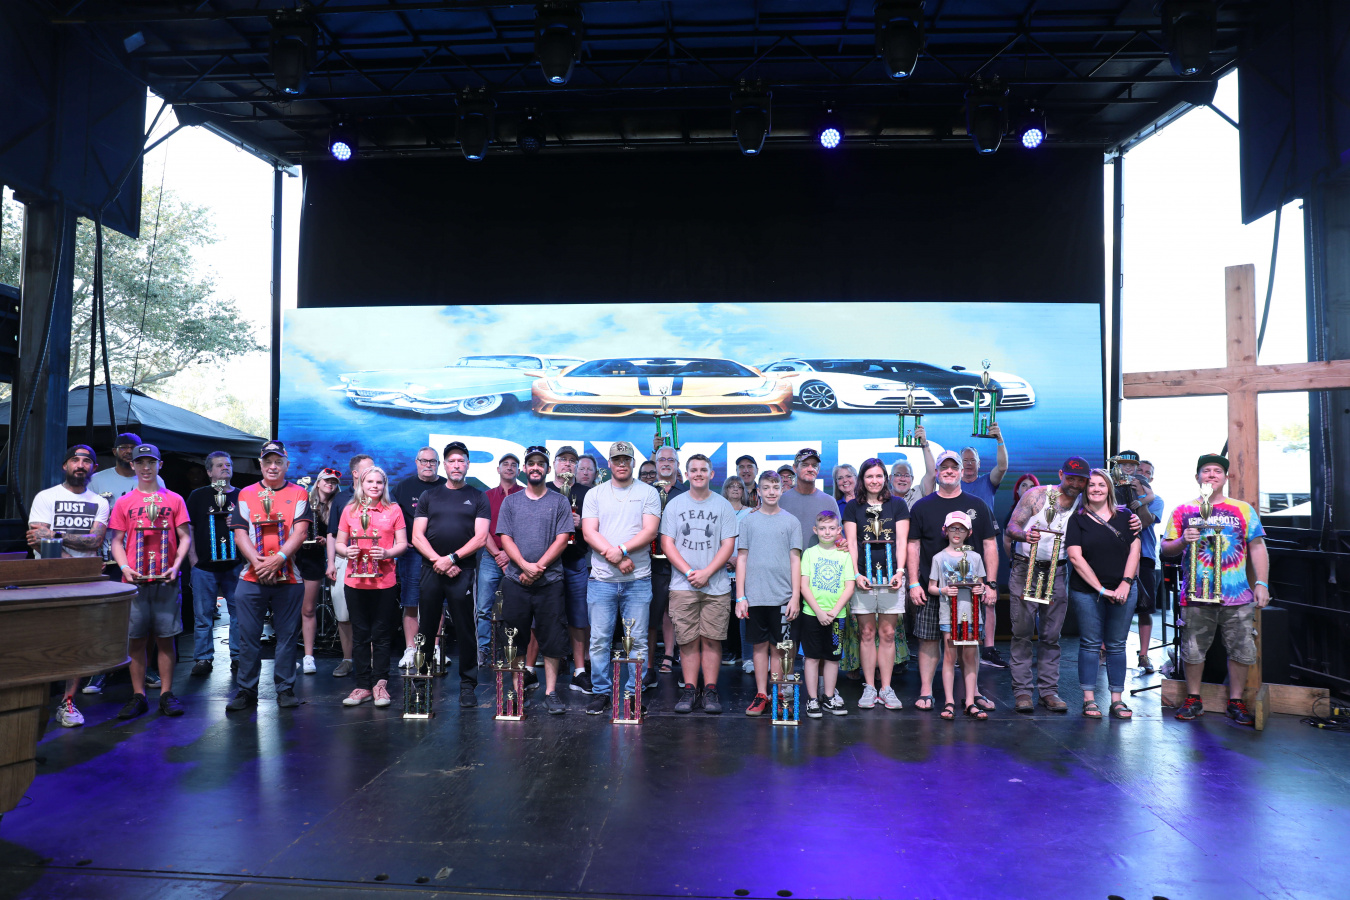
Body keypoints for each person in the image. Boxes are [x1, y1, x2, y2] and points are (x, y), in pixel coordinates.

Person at [1162, 453, 1269, 726]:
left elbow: (1257, 547)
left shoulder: (1243, 509)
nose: (1212, 475)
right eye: (1206, 470)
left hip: (1238, 596)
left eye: (1217, 471)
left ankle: (1236, 701)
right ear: (1197, 477)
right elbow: (1166, 549)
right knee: (1193, 650)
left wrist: (1262, 583)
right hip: (1196, 595)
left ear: (1226, 477)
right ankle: (1193, 698)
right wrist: (1183, 541)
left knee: (1242, 649)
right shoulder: (1183, 510)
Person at [905, 451, 998, 712]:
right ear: (936, 472)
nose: (948, 471)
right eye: (943, 467)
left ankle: (973, 692)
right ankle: (926, 691)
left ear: (961, 471)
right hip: (932, 587)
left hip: (968, 593)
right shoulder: (922, 506)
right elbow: (913, 546)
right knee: (928, 640)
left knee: (969, 642)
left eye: (953, 467)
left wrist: (990, 584)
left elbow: (990, 545)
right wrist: (913, 583)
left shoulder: (978, 505)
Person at [226, 440, 312, 711]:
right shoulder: (245, 494)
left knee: (287, 637)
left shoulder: (299, 493)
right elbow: (240, 533)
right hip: (251, 576)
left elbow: (301, 532)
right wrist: (258, 563)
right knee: (248, 637)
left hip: (289, 577)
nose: (273, 466)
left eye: (278, 462)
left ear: (287, 464)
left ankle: (285, 688)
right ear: (260, 464)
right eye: (268, 462)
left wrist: (278, 560)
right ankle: (246, 690)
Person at [107, 443, 191, 719]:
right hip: (135, 581)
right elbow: (116, 540)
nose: (146, 468)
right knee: (136, 640)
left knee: (166, 639)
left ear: (159, 465)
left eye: (151, 462)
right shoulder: (124, 502)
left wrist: (176, 566)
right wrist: (124, 567)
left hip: (166, 580)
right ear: (132, 465)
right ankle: (138, 695)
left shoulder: (174, 500)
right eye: (141, 463)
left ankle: (166, 693)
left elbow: (185, 537)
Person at [27, 445, 110, 727]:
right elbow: (37, 540)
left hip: (84, 583)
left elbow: (95, 540)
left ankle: (68, 702)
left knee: (77, 643)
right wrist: (72, 562)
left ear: (94, 468)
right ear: (65, 465)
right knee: (45, 642)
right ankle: (33, 705)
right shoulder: (46, 497)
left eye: (87, 461)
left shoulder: (99, 502)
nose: (80, 464)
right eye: (75, 459)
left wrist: (56, 534)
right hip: (47, 580)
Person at [1002, 457, 1089, 714]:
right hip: (1025, 567)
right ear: (1061, 474)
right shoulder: (1037, 495)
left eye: (1081, 480)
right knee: (1022, 633)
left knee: (1051, 636)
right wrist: (1024, 535)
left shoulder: (1085, 503)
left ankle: (1048, 692)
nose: (1075, 484)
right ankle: (1022, 692)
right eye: (1070, 478)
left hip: (1057, 571)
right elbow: (1011, 526)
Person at [580, 441, 661, 714]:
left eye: (626, 459)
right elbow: (589, 532)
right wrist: (615, 556)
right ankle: (601, 692)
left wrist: (622, 550)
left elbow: (650, 531)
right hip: (601, 580)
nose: (622, 464)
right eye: (617, 460)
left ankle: (633, 694)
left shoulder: (648, 492)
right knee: (599, 641)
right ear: (610, 464)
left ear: (633, 463)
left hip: (637, 579)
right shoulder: (595, 494)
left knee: (637, 641)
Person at [411, 441, 490, 708]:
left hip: (463, 571)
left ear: (467, 465)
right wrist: (439, 561)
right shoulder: (429, 496)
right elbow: (417, 536)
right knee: (426, 626)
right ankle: (421, 680)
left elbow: (480, 538)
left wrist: (452, 559)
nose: (456, 465)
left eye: (461, 461)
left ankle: (468, 685)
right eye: (452, 461)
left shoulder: (478, 497)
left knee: (466, 629)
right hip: (431, 569)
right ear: (444, 465)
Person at [497, 445, 574, 714]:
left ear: (548, 469)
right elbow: (505, 538)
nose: (536, 467)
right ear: (524, 469)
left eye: (541, 463)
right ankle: (516, 692)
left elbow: (562, 539)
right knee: (515, 639)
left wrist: (537, 568)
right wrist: (524, 566)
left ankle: (551, 692)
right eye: (531, 463)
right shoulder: (511, 502)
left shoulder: (560, 502)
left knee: (552, 639)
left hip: (550, 582)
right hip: (515, 580)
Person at [660, 453, 739, 714]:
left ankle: (711, 690)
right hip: (683, 585)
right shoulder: (674, 505)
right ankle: (690, 689)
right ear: (686, 474)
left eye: (703, 470)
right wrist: (690, 572)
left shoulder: (723, 506)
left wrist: (707, 572)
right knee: (687, 640)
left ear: (711, 474)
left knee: (712, 639)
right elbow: (667, 543)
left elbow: (728, 545)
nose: (698, 474)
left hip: (716, 586)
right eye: (693, 470)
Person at [1065, 469, 1141, 720]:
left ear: (1109, 488)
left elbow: (1135, 549)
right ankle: (1089, 699)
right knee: (1090, 644)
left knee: (1117, 645)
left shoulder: (1127, 517)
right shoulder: (1077, 520)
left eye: (1101, 484)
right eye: (1091, 485)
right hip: (1088, 592)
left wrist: (1125, 584)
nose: (1096, 489)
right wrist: (1101, 589)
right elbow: (1075, 557)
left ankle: (1117, 700)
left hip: (1123, 590)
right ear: (1085, 490)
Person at [334, 465, 408, 708]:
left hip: (384, 582)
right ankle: (363, 685)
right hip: (355, 581)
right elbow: (339, 543)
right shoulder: (349, 510)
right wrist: (346, 551)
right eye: (370, 482)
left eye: (379, 482)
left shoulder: (393, 509)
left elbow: (402, 544)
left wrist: (387, 553)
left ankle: (380, 684)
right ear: (361, 484)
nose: (375, 486)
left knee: (382, 635)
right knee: (360, 635)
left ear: (384, 485)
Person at [842, 457, 909, 710]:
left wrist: (900, 571)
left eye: (879, 476)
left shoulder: (898, 505)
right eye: (869, 476)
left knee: (888, 633)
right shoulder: (852, 507)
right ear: (862, 479)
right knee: (867, 633)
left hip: (892, 578)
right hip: (864, 578)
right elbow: (851, 543)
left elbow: (901, 541)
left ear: (885, 478)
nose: (874, 480)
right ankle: (869, 687)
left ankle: (886, 688)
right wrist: (855, 574)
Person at [734, 471, 802, 715]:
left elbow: (795, 560)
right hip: (755, 597)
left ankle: (778, 693)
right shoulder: (748, 521)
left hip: (783, 597)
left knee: (780, 648)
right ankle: (761, 694)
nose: (771, 491)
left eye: (775, 487)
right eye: (766, 487)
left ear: (782, 489)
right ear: (759, 491)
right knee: (759, 647)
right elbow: (742, 558)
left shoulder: (791, 522)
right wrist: (740, 596)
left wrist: (795, 596)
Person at [184, 451, 242, 679]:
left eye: (228, 464)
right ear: (209, 472)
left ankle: (238, 656)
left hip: (235, 564)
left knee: (239, 613)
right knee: (202, 616)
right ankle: (203, 658)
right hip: (204, 566)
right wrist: (192, 559)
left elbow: (252, 527)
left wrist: (239, 521)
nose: (225, 468)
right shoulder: (197, 496)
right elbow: (188, 528)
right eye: (219, 465)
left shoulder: (242, 495)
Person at [928, 511, 990, 721]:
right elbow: (932, 587)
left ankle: (970, 701)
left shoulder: (975, 557)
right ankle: (949, 701)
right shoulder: (939, 558)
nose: (957, 532)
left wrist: (980, 589)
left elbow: (981, 584)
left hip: (972, 615)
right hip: (949, 615)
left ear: (969, 532)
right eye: (953, 528)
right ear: (945, 531)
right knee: (949, 657)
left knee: (970, 657)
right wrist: (944, 591)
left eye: (962, 529)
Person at [393, 447, 446, 670]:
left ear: (438, 464)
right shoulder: (403, 487)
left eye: (432, 461)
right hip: (412, 553)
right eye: (424, 461)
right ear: (416, 462)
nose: (428, 465)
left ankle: (434, 648)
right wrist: (400, 540)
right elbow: (392, 517)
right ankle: (411, 648)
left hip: (440, 555)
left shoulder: (447, 486)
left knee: (438, 602)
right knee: (410, 601)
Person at [800, 511, 855, 718]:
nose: (827, 532)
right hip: (811, 614)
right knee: (812, 657)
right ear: (815, 530)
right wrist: (819, 612)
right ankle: (813, 699)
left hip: (836, 617)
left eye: (832, 528)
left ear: (839, 530)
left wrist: (833, 611)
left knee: (832, 658)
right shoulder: (809, 553)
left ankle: (829, 697)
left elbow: (849, 587)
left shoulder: (844, 555)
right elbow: (804, 586)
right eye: (822, 528)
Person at [548, 446, 593, 693]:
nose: (567, 464)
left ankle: (579, 671)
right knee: (542, 618)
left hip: (575, 561)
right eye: (563, 459)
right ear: (554, 464)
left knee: (578, 617)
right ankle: (531, 670)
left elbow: (600, 526)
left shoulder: (588, 493)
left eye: (572, 461)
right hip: (547, 563)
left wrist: (582, 523)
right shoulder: (544, 489)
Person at [327, 454, 372, 677]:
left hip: (372, 562)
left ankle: (371, 662)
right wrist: (330, 562)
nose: (373, 473)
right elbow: (332, 534)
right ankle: (347, 659)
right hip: (344, 561)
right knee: (343, 613)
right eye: (367, 469)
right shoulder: (341, 499)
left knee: (370, 614)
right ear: (355, 473)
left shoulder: (380, 497)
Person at [477, 452, 521, 668]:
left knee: (518, 607)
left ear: (519, 471)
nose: (509, 467)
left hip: (517, 557)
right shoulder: (485, 496)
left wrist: (508, 555)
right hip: (490, 556)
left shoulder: (524, 495)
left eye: (514, 465)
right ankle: (483, 650)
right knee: (483, 608)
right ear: (498, 469)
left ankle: (514, 649)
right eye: (505, 464)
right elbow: (481, 530)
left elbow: (527, 530)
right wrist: (497, 554)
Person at [647, 443, 686, 682]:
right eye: (662, 459)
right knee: (652, 615)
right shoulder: (645, 492)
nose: (666, 463)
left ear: (677, 465)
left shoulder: (686, 493)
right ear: (656, 463)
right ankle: (648, 667)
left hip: (680, 563)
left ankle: (671, 656)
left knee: (676, 613)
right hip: (650, 563)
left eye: (671, 460)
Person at [298, 467, 340, 673]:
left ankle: (308, 656)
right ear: (318, 482)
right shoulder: (304, 500)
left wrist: (326, 541)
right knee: (288, 609)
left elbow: (338, 536)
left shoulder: (336, 506)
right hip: (294, 557)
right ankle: (288, 654)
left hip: (314, 559)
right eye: (326, 480)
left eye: (333, 482)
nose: (329, 484)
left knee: (308, 609)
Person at [1134, 460, 1165, 672]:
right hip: (1119, 557)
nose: (1143, 474)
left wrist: (1144, 498)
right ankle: (1104, 649)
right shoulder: (1118, 495)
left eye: (1147, 473)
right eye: (1140, 470)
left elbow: (1144, 522)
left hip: (1144, 557)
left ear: (1151, 478)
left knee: (1145, 608)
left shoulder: (1157, 500)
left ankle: (1143, 655)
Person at [780, 449, 838, 550]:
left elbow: (838, 536)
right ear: (795, 468)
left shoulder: (829, 501)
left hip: (820, 560)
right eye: (805, 465)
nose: (810, 469)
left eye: (814, 466)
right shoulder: (781, 501)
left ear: (818, 470)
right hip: (786, 559)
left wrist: (841, 542)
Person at [959, 423, 1009, 510]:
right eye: (965, 460)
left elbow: (1002, 468)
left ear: (979, 464)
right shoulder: (952, 484)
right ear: (959, 464)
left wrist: (1000, 440)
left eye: (973, 460)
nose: (969, 463)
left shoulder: (987, 482)